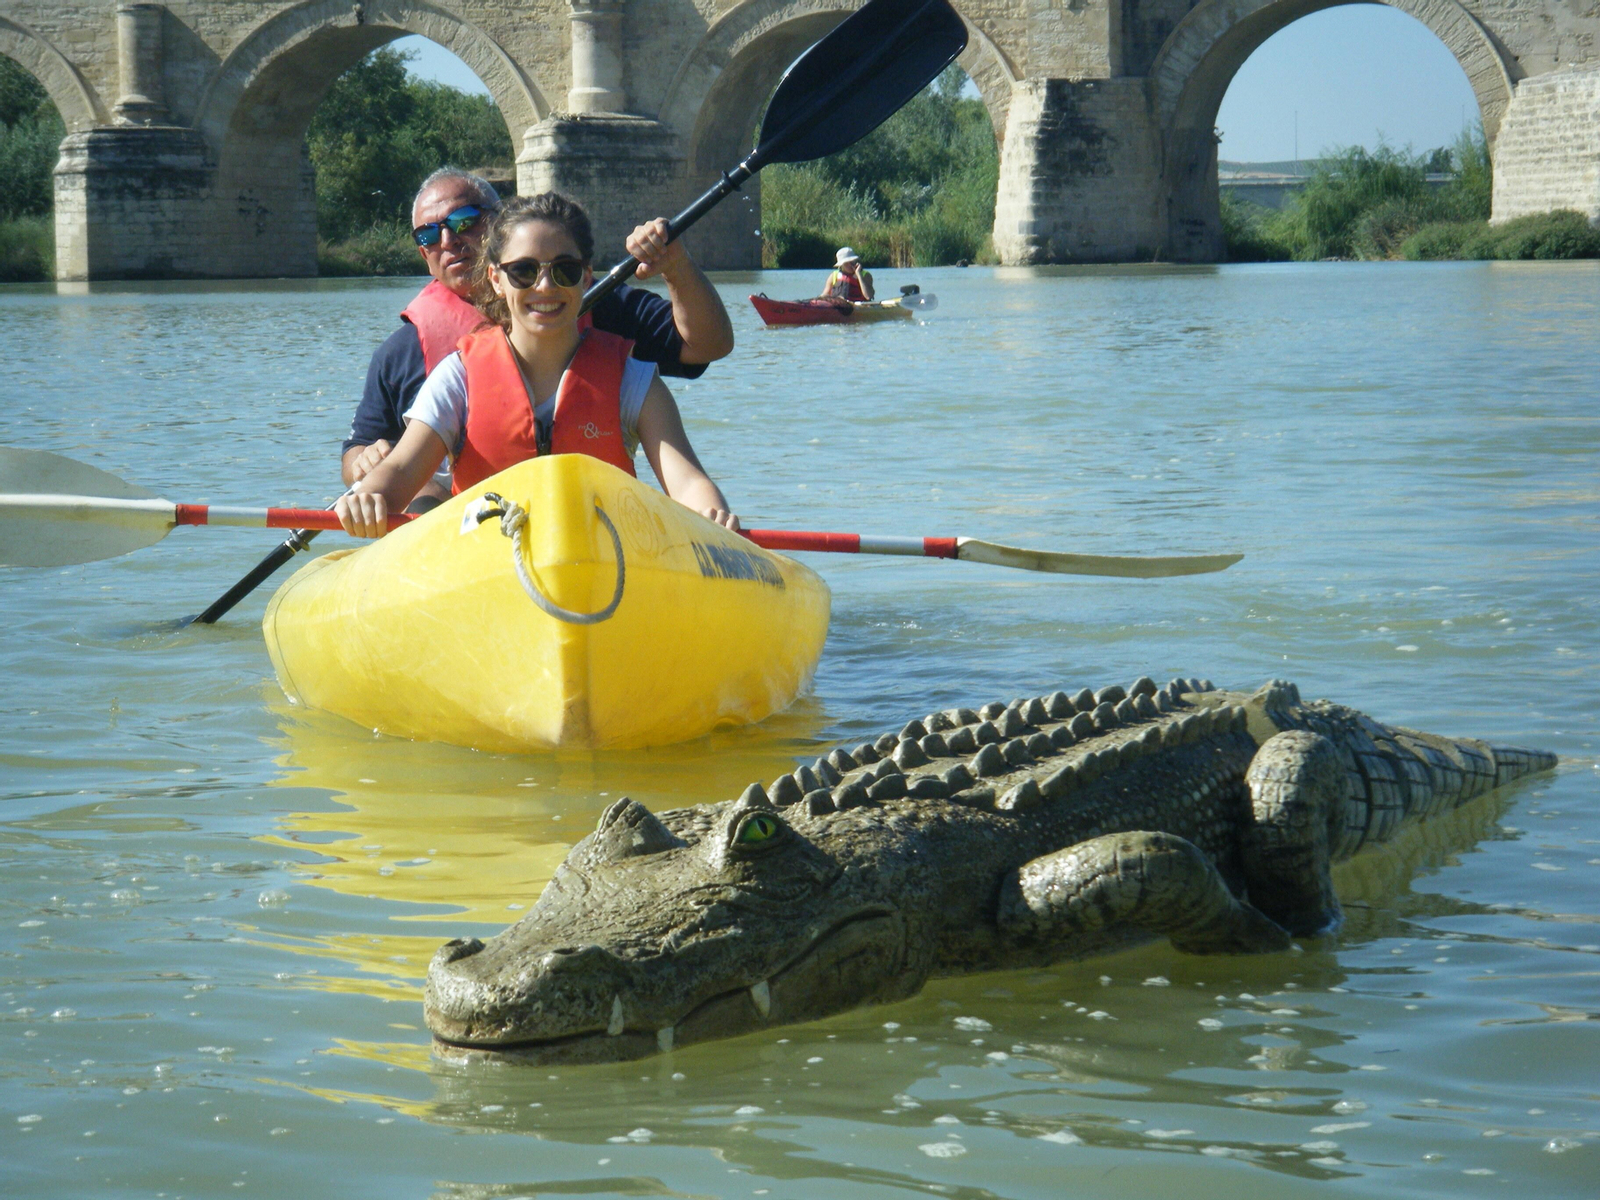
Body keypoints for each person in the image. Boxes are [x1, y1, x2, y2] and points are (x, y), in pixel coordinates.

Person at [336, 192, 739, 539]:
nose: (544, 287)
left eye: (563, 270)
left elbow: (687, 483)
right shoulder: (457, 378)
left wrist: (711, 518)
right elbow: (400, 473)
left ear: (585, 278)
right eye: (524, 271)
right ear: (495, 278)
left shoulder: (633, 381)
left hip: (604, 564)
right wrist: (366, 499)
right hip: (485, 568)